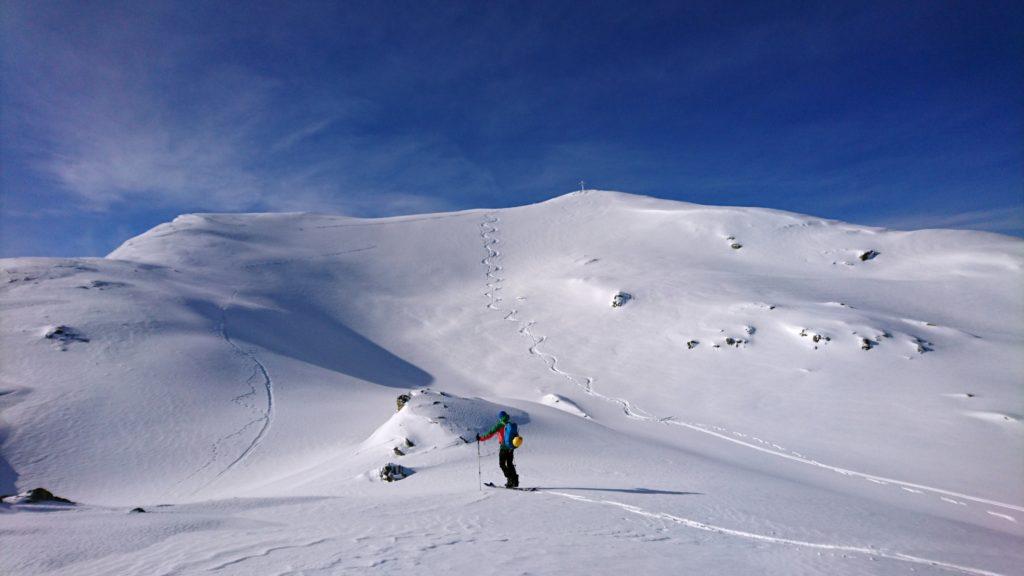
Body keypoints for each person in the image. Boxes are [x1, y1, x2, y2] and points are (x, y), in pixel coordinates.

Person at [477, 410, 519, 488]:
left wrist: (480, 438)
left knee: (502, 464)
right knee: (510, 463)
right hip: (511, 446)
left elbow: (490, 433)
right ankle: (515, 481)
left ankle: (510, 480)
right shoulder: (510, 424)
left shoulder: (500, 425)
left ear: (500, 418)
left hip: (503, 447)